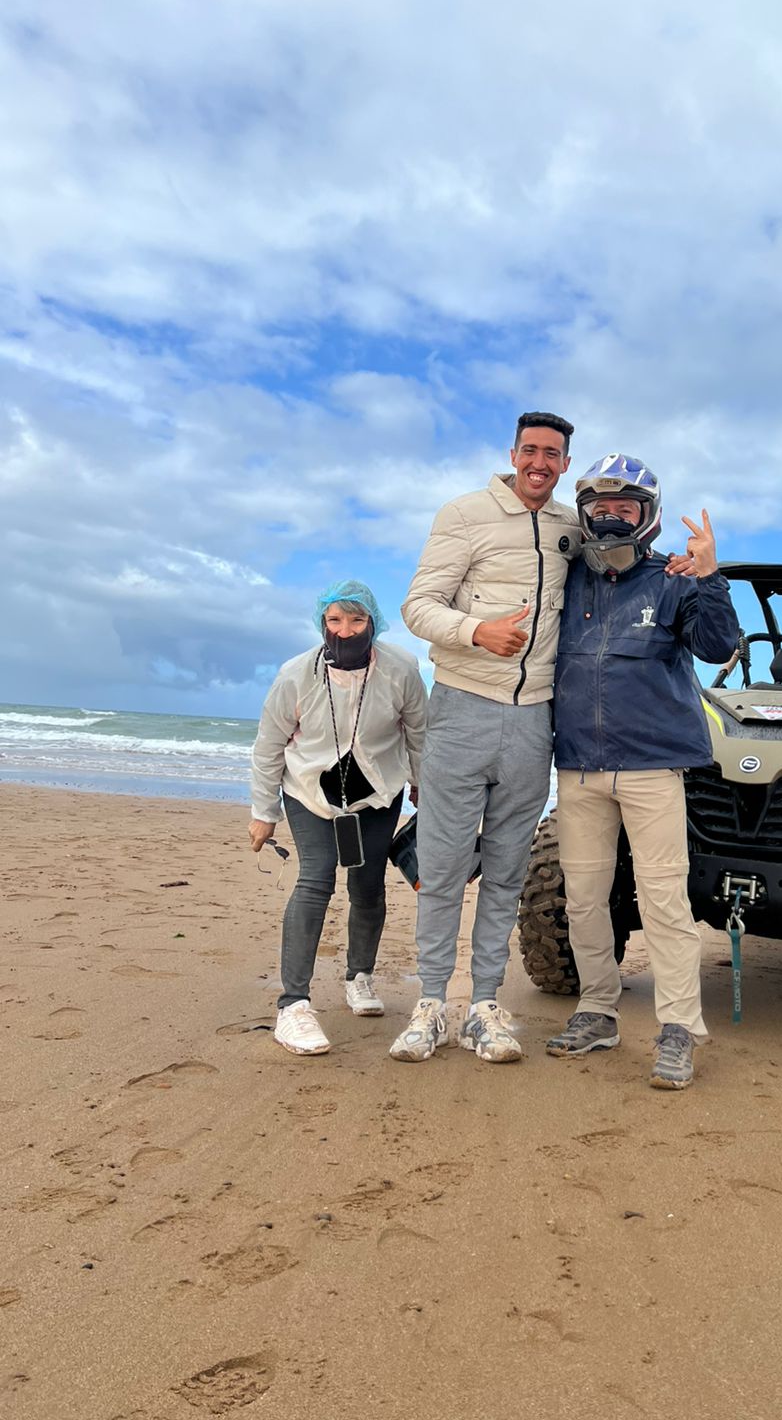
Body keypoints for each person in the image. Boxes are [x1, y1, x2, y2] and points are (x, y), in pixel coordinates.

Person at [544, 454, 739, 1089]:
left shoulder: (674, 579)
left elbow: (717, 647)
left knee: (663, 901)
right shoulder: (564, 579)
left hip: (654, 766)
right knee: (582, 898)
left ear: (647, 516)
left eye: (625, 507)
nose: (611, 517)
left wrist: (711, 576)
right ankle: (597, 1010)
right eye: (600, 506)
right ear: (585, 512)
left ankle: (678, 1029)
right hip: (577, 765)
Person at [394, 412, 580, 1063]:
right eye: (530, 450)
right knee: (443, 870)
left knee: (506, 873)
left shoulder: (570, 528)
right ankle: (431, 1005)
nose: (539, 463)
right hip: (462, 709)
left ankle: (484, 1007)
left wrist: (693, 567)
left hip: (534, 722)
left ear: (563, 464)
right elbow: (417, 606)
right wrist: (478, 631)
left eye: (552, 454)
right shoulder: (465, 513)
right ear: (513, 453)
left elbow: (625, 557)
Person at [249, 580, 427, 1056]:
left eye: (356, 620)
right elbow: (269, 746)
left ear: (373, 622)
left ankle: (360, 976)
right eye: (334, 620)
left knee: (367, 886)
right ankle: (294, 1006)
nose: (345, 630)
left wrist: (422, 786)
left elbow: (419, 732)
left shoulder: (401, 669)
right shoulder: (295, 674)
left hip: (377, 794)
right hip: (310, 792)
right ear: (321, 623)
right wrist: (263, 812)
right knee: (315, 880)